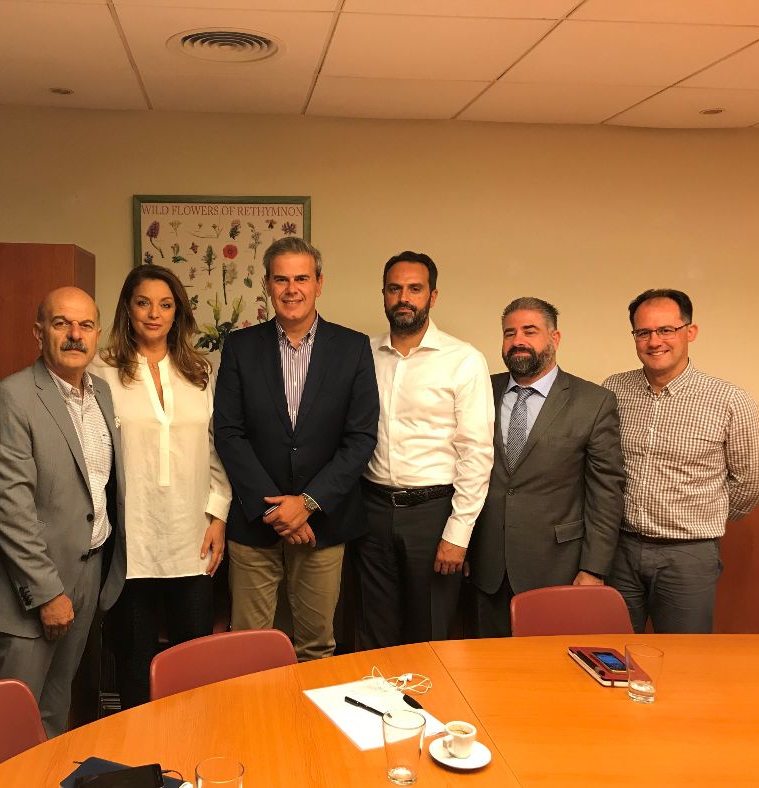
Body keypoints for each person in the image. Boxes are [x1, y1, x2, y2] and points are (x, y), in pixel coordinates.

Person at [213, 237, 379, 661]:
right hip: (255, 523)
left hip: (323, 524)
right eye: (281, 279)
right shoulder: (240, 347)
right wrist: (275, 510)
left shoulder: (353, 348)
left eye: (301, 279)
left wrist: (306, 503)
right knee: (248, 650)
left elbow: (360, 438)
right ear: (267, 285)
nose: (292, 289)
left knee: (316, 648)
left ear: (319, 283)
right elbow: (229, 433)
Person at [0, 286, 125, 737]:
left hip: (89, 572)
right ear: (39, 333)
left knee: (55, 715)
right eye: (62, 324)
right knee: (12, 726)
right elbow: (10, 508)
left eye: (85, 325)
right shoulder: (12, 398)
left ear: (97, 333)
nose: (75, 335)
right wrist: (46, 594)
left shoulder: (101, 393)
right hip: (34, 589)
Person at [91, 265, 232, 708]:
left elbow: (216, 449)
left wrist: (218, 516)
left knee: (193, 663)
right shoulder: (101, 370)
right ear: (127, 309)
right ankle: (139, 745)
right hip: (131, 540)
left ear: (178, 313)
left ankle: (191, 740)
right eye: (143, 303)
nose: (154, 314)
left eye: (165, 304)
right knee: (133, 663)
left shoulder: (199, 372)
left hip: (192, 536)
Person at [603, 288, 759, 633]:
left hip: (688, 555)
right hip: (619, 549)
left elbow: (752, 482)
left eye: (666, 330)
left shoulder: (730, 400)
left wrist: (705, 513)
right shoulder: (614, 390)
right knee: (611, 650)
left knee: (686, 656)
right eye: (643, 332)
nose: (654, 341)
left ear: (690, 332)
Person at [356, 252, 493, 647]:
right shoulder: (363, 354)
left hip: (433, 514)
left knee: (428, 636)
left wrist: (458, 533)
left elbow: (476, 452)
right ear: (383, 294)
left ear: (432, 296)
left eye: (414, 289)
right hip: (371, 511)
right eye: (395, 288)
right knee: (373, 631)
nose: (404, 298)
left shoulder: (463, 360)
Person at [469, 297, 625, 637]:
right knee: (486, 662)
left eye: (530, 331)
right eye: (509, 333)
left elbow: (606, 494)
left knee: (550, 664)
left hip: (557, 566)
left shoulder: (593, 402)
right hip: (486, 566)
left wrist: (594, 568)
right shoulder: (481, 389)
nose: (518, 341)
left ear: (555, 338)